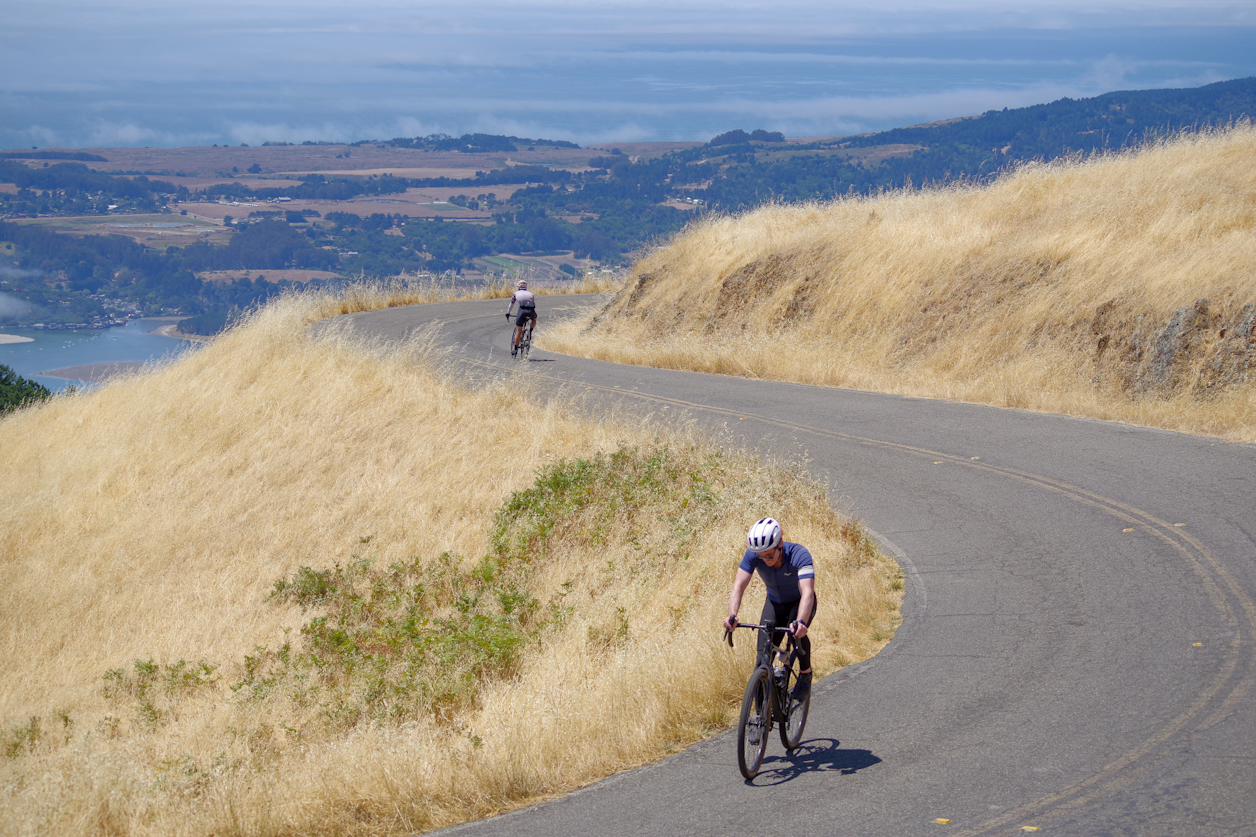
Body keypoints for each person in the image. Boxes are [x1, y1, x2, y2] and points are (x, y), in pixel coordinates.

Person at [723, 517, 816, 702]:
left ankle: (805, 673)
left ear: (780, 544)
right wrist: (732, 615)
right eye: (761, 556)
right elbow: (738, 587)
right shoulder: (753, 555)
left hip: (799, 603)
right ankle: (760, 718)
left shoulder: (799, 554)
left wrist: (802, 622)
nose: (765, 560)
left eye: (769, 556)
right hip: (774, 603)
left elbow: (807, 593)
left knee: (797, 634)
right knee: (762, 661)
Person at [505, 279, 538, 356]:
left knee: (519, 330)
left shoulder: (516, 293)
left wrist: (508, 313)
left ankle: (515, 350)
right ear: (526, 287)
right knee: (534, 319)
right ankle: (530, 331)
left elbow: (511, 304)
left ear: (518, 287)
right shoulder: (531, 294)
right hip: (531, 311)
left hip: (522, 311)